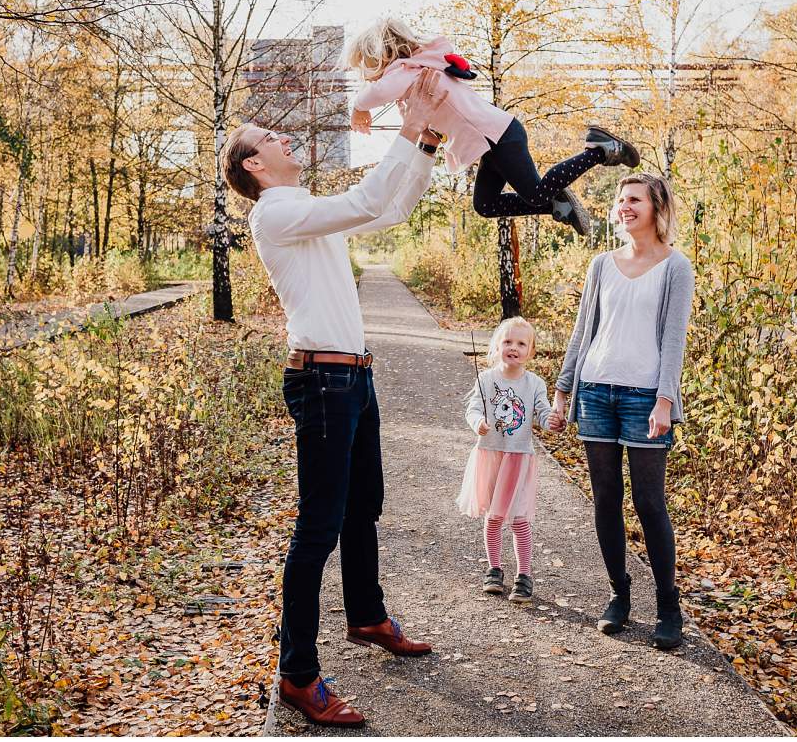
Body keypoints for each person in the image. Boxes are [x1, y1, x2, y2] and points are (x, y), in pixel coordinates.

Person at [222, 68, 448, 728]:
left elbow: (388, 207)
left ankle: (368, 614)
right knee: (317, 527)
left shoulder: (305, 209)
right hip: (322, 380)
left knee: (363, 507)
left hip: (354, 376)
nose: (287, 137)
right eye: (272, 135)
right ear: (254, 163)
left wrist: (427, 140)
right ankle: (296, 674)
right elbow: (366, 198)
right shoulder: (278, 211)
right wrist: (407, 124)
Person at [547, 172, 696, 649]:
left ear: (656, 207)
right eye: (620, 200)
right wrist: (563, 389)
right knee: (606, 499)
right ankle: (619, 596)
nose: (624, 206)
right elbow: (582, 331)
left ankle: (668, 605)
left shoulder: (676, 267)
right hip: (595, 391)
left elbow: (674, 341)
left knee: (651, 503)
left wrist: (665, 400)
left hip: (644, 399)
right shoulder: (601, 265)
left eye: (633, 199)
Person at [343, 17, 641, 237]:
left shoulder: (406, 71)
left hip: (500, 136)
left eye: (365, 67)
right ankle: (555, 204)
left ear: (381, 56)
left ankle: (600, 150)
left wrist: (358, 108)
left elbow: (376, 94)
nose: (368, 78)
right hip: (492, 144)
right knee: (485, 205)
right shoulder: (415, 74)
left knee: (535, 192)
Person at [457, 317, 556, 604]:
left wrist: (552, 421)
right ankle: (494, 569)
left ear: (531, 351)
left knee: (519, 518)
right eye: (508, 342)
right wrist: (478, 423)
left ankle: (524, 575)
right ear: (497, 346)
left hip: (518, 458)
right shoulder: (486, 379)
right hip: (490, 454)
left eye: (521, 343)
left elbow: (542, 412)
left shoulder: (534, 383)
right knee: (494, 515)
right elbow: (473, 408)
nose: (514, 347)